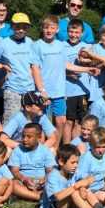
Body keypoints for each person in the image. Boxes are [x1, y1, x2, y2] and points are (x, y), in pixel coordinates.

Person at [0, 12, 35, 125]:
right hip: (12, 91)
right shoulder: (4, 43)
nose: (21, 30)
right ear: (12, 26)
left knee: (29, 125)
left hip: (29, 90)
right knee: (11, 125)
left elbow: (35, 64)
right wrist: (0, 66)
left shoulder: (30, 42)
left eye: (24, 27)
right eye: (18, 27)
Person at [39, 143, 105, 208]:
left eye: (77, 162)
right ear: (61, 162)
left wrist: (82, 187)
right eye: (73, 162)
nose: (76, 165)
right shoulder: (53, 176)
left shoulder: (73, 171)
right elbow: (58, 197)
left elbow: (91, 178)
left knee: (84, 189)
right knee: (73, 191)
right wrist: (77, 185)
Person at [29, 14, 68, 143]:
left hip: (59, 92)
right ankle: (41, 151)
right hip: (43, 92)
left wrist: (86, 69)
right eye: (46, 27)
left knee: (61, 122)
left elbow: (65, 65)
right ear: (42, 29)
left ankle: (54, 149)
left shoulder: (61, 45)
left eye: (52, 27)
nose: (49, 30)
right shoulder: (37, 45)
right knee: (41, 124)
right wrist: (42, 91)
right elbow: (34, 69)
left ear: (57, 29)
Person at [63, 19, 98, 145]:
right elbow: (57, 67)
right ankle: (66, 148)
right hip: (68, 91)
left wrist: (86, 60)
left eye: (77, 32)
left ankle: (75, 147)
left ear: (82, 33)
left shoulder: (87, 47)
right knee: (69, 121)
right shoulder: (61, 46)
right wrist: (68, 73)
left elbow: (95, 63)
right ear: (67, 32)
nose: (73, 35)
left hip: (83, 90)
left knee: (79, 121)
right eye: (71, 31)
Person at [71, 127, 105, 208]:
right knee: (89, 198)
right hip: (87, 189)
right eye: (98, 147)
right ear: (91, 145)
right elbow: (79, 176)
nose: (101, 150)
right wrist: (81, 188)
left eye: (104, 147)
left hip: (99, 190)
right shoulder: (86, 158)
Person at [8, 123, 56, 202]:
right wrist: (24, 179)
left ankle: (27, 195)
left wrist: (45, 179)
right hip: (23, 181)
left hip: (41, 181)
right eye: (23, 136)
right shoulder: (17, 150)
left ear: (38, 138)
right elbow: (14, 171)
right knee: (11, 184)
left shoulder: (45, 150)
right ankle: (39, 197)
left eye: (29, 137)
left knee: (54, 182)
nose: (25, 139)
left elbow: (50, 171)